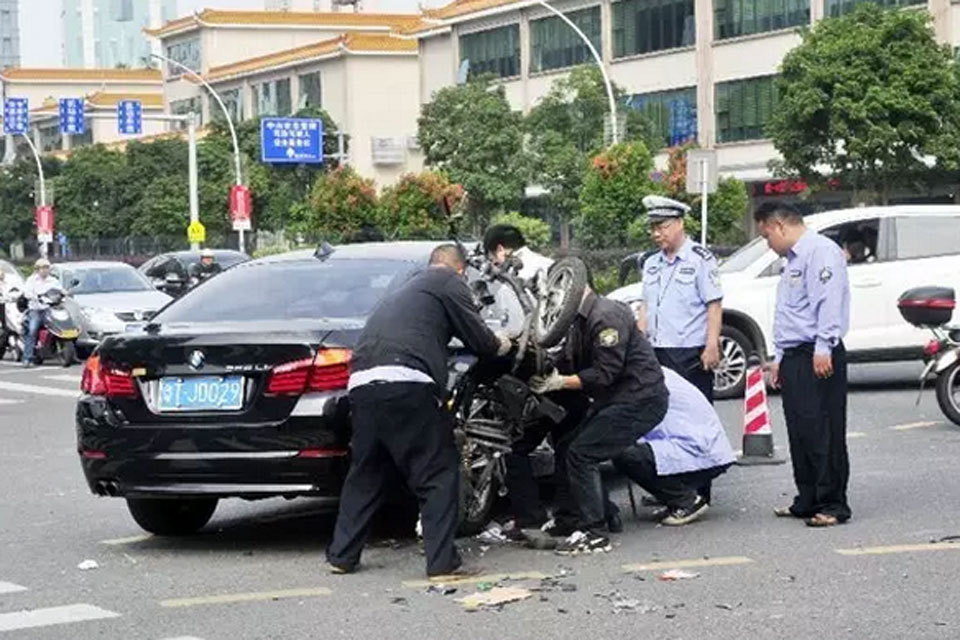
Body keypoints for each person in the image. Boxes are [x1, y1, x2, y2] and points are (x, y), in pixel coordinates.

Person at [326, 244, 513, 578]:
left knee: (366, 473)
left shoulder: (401, 291)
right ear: (458, 269)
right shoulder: (448, 281)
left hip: (362, 383)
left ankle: (342, 555)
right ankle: (442, 563)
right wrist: (501, 342)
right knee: (438, 473)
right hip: (407, 382)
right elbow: (479, 340)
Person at [529, 272, 669, 555]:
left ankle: (595, 531)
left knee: (583, 453)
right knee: (568, 446)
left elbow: (606, 373)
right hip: (618, 399)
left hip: (639, 399)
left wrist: (561, 382)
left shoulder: (605, 315)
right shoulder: (580, 320)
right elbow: (571, 358)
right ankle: (571, 518)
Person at [755, 202, 851, 528]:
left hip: (817, 353)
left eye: (767, 236)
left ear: (780, 225)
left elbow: (828, 302)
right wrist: (779, 358)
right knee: (801, 431)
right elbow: (789, 315)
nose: (769, 245)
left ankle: (833, 504)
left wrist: (824, 345)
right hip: (795, 355)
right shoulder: (793, 261)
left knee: (824, 430)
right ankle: (807, 498)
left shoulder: (821, 252)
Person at [613, 367, 735, 526]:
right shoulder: (649, 372)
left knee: (625, 455)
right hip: (701, 447)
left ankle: (686, 500)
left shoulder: (645, 380)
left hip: (697, 449)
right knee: (629, 450)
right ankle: (673, 496)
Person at [637, 195, 723, 403]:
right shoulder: (651, 262)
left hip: (689, 351)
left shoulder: (700, 259)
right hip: (656, 350)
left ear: (680, 223)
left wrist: (711, 344)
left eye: (662, 227)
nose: (657, 234)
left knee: (695, 410)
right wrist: (639, 342)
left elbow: (714, 304)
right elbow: (646, 305)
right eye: (653, 228)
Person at [22, 258, 64, 368]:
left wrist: (63, 294)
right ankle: (27, 357)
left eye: (47, 268)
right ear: (37, 269)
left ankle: (69, 353)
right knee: (32, 330)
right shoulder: (31, 280)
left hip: (49, 309)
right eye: (42, 268)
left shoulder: (53, 281)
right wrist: (36, 297)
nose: (45, 270)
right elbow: (26, 293)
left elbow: (60, 291)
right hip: (36, 310)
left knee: (62, 327)